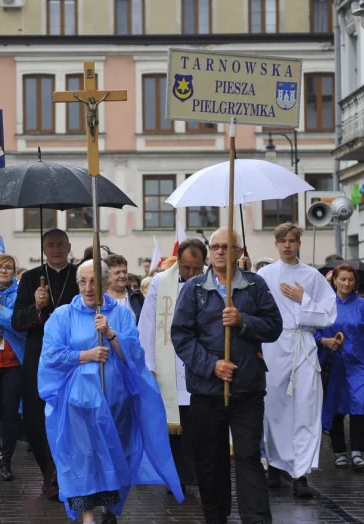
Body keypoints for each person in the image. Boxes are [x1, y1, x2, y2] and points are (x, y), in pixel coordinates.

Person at [41, 260, 184, 523]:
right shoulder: (62, 315)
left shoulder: (120, 314)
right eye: (82, 281)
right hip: (78, 404)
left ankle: (109, 507)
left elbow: (133, 355)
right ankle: (87, 515)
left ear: (106, 284)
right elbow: (51, 356)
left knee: (113, 450)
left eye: (94, 281)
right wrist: (86, 355)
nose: (88, 287)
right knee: (83, 456)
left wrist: (109, 333)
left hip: (115, 399)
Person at [172, 228, 282, 524]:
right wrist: (211, 366)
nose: (220, 252)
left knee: (248, 456)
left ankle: (256, 518)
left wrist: (243, 320)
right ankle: (216, 517)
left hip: (247, 389)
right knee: (211, 460)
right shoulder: (194, 288)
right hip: (207, 391)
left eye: (226, 247)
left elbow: (274, 327)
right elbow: (181, 336)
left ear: (238, 251)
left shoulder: (255, 286)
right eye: (216, 246)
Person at [255, 223, 336, 496]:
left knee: (306, 407)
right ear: (276, 244)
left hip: (303, 346)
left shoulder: (312, 276)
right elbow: (255, 309)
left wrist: (304, 300)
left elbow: (328, 314)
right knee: (275, 408)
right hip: (274, 346)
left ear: (299, 243)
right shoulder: (265, 275)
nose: (287, 245)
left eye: (292, 240)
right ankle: (275, 465)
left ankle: (301, 473)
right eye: (283, 241)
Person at [12, 229, 80, 499]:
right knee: (36, 415)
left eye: (60, 245)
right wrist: (37, 307)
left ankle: (67, 470)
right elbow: (18, 321)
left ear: (69, 246)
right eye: (50, 245)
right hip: (39, 354)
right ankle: (48, 470)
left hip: (74, 355)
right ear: (43, 249)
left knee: (71, 413)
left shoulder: (80, 276)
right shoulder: (30, 278)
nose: (55, 249)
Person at [139, 238, 208, 489]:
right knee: (174, 424)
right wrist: (148, 363)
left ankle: (200, 474)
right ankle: (177, 476)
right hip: (169, 361)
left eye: (196, 269)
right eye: (186, 268)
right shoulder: (161, 282)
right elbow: (147, 323)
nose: (191, 274)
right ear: (178, 262)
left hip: (199, 360)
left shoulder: (211, 284)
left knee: (198, 422)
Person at [316, 266, 364, 470]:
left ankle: (358, 451)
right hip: (333, 365)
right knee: (335, 406)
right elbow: (311, 330)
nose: (347, 283)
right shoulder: (324, 305)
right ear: (335, 281)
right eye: (343, 279)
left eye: (351, 280)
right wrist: (324, 340)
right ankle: (339, 451)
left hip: (359, 364)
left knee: (360, 405)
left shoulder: (363, 306)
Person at [0, 253, 27, 481]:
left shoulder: (20, 294)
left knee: (9, 413)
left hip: (13, 361)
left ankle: (6, 460)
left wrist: (1, 311)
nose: (3, 271)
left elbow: (20, 325)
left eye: (9, 268)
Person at [104, 253, 144, 321]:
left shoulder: (137, 297)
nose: (122, 275)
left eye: (125, 272)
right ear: (107, 276)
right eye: (117, 273)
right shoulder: (100, 298)